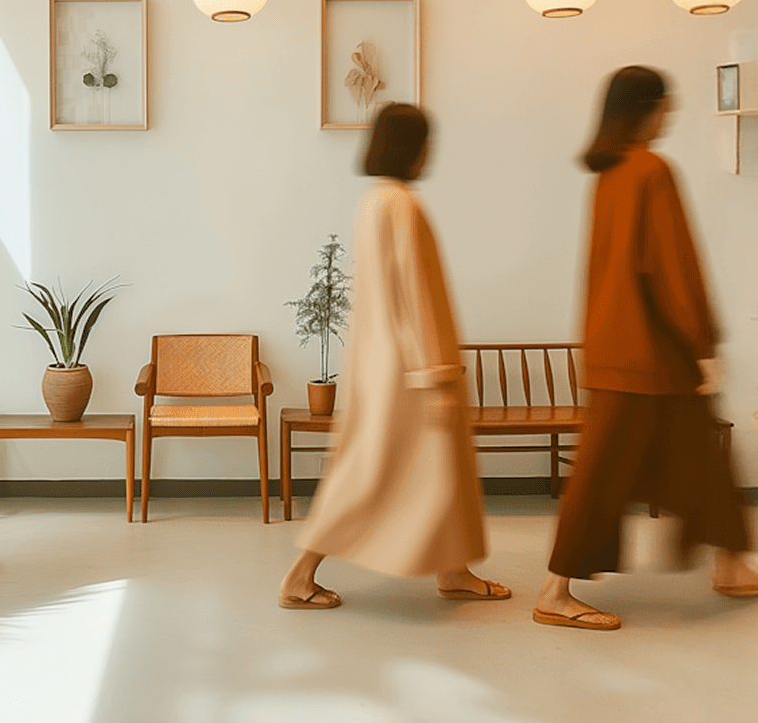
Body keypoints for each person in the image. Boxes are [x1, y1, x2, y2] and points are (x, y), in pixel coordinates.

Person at [534, 65, 758, 632]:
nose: (671, 115)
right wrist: (704, 345)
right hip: (648, 356)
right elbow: (672, 266)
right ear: (644, 110)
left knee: (705, 455)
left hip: (620, 349)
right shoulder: (652, 170)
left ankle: (731, 564)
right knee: (601, 473)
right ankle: (554, 593)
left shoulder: (609, 175)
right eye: (666, 105)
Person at [279, 103, 511, 610]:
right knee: (372, 473)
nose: (432, 152)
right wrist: (434, 375)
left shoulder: (374, 201)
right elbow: (415, 296)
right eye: (426, 142)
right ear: (411, 147)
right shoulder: (402, 204)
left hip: (385, 365)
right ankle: (300, 576)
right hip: (412, 372)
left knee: (431, 471)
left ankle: (455, 570)